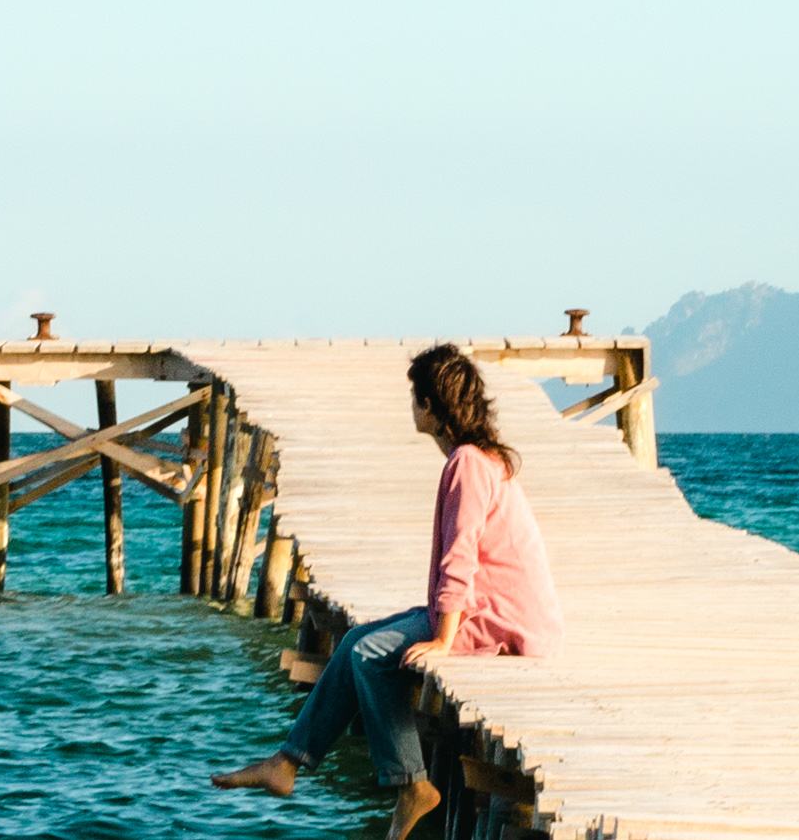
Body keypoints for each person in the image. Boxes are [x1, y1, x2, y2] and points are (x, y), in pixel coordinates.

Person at [212, 343, 564, 839]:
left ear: (428, 406)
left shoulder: (466, 463)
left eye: (413, 397)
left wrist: (443, 639)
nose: (410, 406)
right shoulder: (477, 458)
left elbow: (459, 557)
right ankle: (287, 763)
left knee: (370, 655)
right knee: (357, 639)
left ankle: (411, 783)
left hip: (500, 618)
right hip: (491, 607)